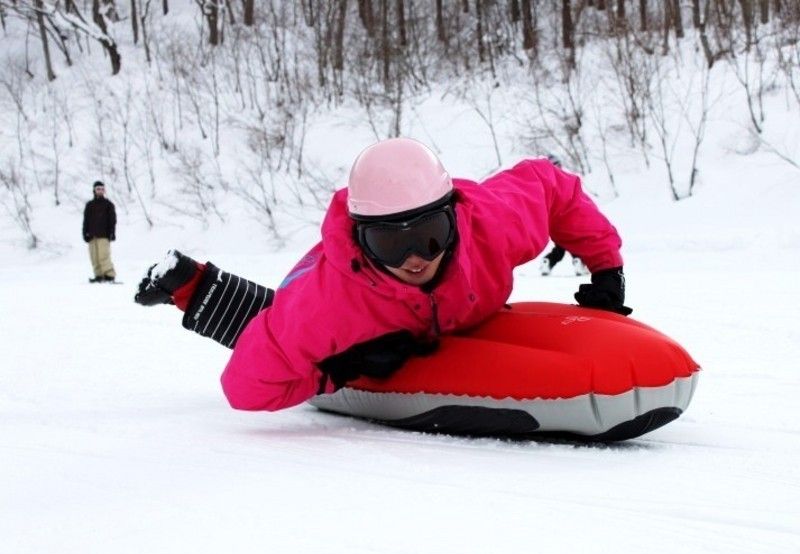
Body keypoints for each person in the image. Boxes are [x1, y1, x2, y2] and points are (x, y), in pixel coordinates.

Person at [135, 138, 631, 413]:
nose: (415, 258)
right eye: (392, 243)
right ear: (365, 237)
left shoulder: (492, 224)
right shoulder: (328, 303)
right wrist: (340, 370)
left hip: (422, 307)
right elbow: (244, 387)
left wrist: (607, 265)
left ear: (453, 217)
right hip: (322, 277)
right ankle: (190, 287)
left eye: (430, 235)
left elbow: (552, 185)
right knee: (279, 334)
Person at [82, 181, 117, 283]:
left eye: (102, 189)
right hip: (92, 235)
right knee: (94, 257)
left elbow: (112, 220)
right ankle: (99, 275)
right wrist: (85, 233)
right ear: (94, 190)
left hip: (104, 235)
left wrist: (112, 232)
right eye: (98, 189)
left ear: (104, 190)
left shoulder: (108, 204)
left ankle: (109, 275)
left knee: (103, 256)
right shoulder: (90, 205)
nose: (100, 191)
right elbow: (86, 221)